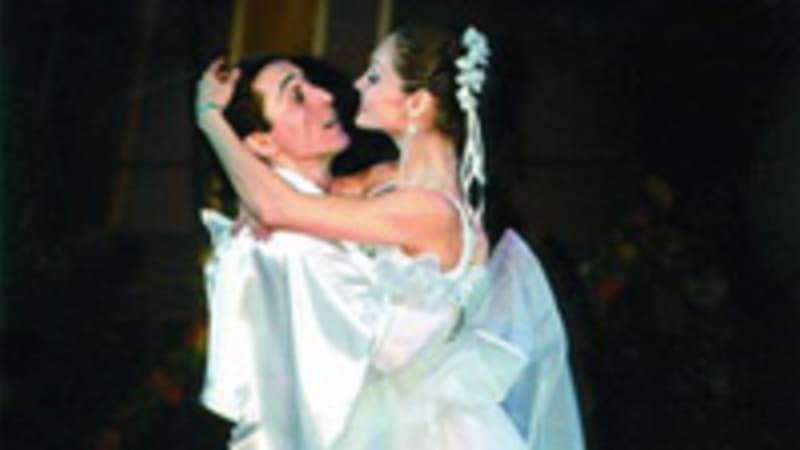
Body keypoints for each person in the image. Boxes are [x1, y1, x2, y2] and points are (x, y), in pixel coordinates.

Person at [197, 25, 584, 449]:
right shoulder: (386, 182)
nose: (354, 86)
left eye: (375, 76)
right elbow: (305, 197)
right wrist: (251, 203)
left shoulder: (430, 211)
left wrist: (210, 119)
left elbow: (282, 207)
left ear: (416, 104)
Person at [198, 55, 391, 450]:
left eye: (312, 84)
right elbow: (323, 403)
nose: (326, 96)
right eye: (298, 96)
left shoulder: (367, 195)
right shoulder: (280, 246)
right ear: (261, 142)